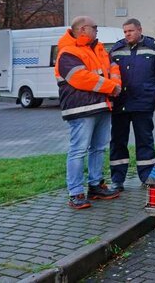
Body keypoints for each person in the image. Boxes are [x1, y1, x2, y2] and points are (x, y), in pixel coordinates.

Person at [55, 16, 122, 209]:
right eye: (95, 27)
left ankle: (96, 185)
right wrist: (112, 87)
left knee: (98, 148)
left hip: (102, 105)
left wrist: (115, 85)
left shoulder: (98, 48)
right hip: (81, 108)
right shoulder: (68, 52)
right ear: (83, 29)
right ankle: (76, 193)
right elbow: (80, 78)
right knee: (78, 150)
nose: (97, 29)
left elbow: (113, 68)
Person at [109, 18, 155, 191]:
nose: (127, 34)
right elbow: (109, 75)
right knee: (118, 142)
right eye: (125, 32)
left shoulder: (153, 50)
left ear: (139, 30)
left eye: (130, 31)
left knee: (145, 141)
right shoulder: (116, 50)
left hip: (143, 103)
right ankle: (117, 180)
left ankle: (147, 177)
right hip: (120, 104)